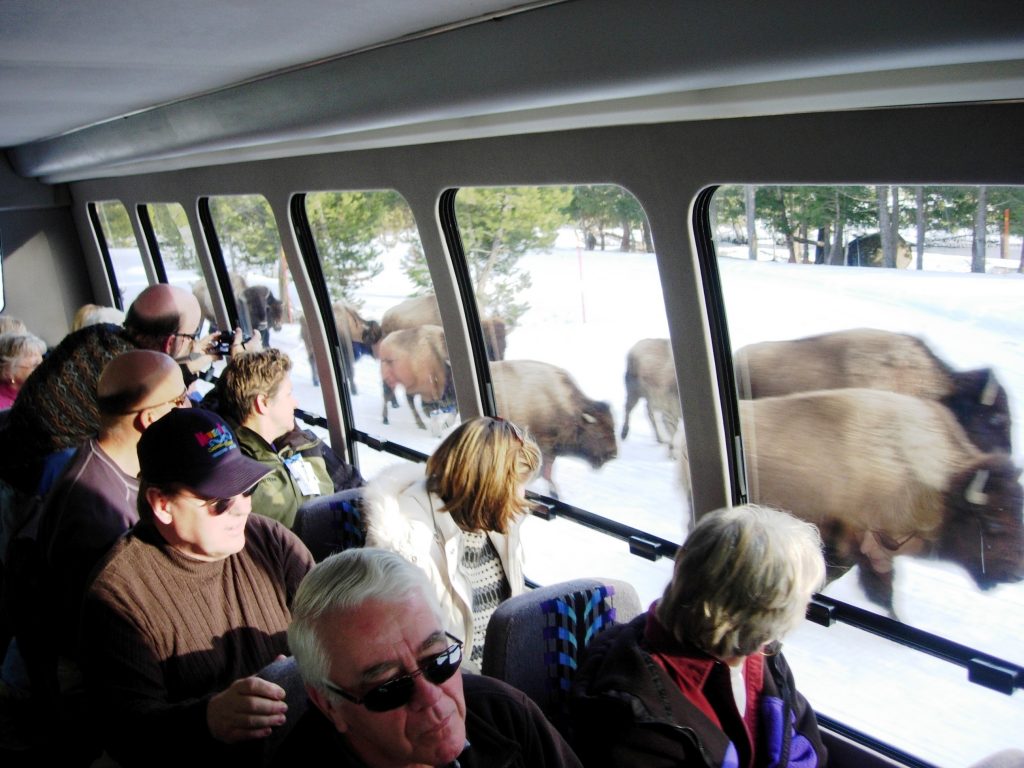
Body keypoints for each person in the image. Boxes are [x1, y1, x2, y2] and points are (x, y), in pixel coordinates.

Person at [78, 408, 314, 766]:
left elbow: (331, 620)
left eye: (246, 488)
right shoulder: (117, 596)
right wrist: (210, 719)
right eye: (220, 502)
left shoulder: (270, 541)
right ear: (163, 505)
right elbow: (127, 732)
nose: (242, 509)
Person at [570, 504, 828, 768]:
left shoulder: (765, 660)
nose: (804, 611)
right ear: (756, 618)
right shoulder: (632, 717)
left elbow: (806, 748)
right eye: (800, 602)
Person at [279, 546, 583, 768]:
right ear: (330, 706)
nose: (431, 697)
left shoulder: (503, 715)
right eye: (389, 688)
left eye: (438, 660)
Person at [0, 283, 250, 493]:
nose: (193, 341)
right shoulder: (138, 377)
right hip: (39, 487)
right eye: (190, 335)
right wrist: (239, 366)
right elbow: (199, 424)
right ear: (171, 341)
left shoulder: (96, 335)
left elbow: (146, 367)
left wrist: (191, 359)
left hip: (15, 464)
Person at [36, 350, 188, 654]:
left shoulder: (107, 465)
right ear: (150, 418)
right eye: (181, 400)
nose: (190, 406)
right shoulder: (96, 512)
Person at [363, 416, 541, 667]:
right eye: (516, 485)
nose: (522, 497)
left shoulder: (495, 523)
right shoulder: (408, 544)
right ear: (486, 489)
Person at [216, 348, 362, 528]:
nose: (295, 403)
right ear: (263, 403)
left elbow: (353, 485)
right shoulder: (238, 473)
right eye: (288, 394)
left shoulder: (303, 443)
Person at [0, 332, 46, 409]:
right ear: (8, 372)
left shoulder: (45, 393)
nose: (44, 368)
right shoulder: (3, 407)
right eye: (35, 365)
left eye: (43, 362)